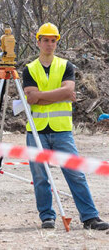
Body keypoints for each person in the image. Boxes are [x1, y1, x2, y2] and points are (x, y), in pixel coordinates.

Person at [21, 23, 108, 230]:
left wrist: (41, 96)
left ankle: (89, 217)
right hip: (37, 130)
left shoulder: (66, 66)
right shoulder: (30, 69)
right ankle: (47, 217)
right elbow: (31, 98)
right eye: (46, 40)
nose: (49, 44)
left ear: (56, 42)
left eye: (53, 40)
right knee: (41, 176)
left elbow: (67, 91)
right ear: (38, 42)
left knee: (75, 173)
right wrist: (57, 95)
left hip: (61, 130)